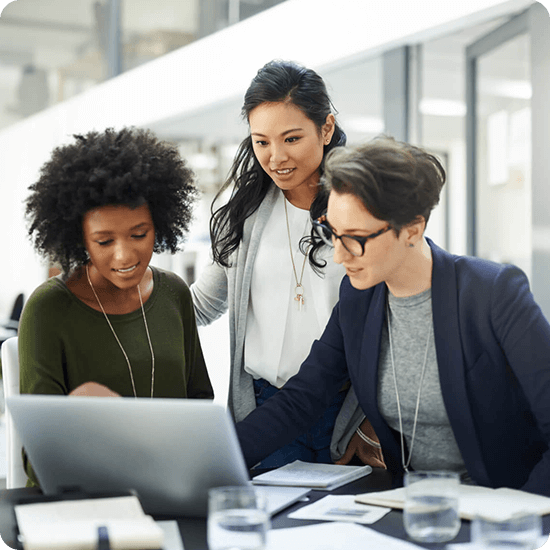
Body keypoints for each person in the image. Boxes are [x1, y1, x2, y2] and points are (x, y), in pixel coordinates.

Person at [235, 136, 550, 497]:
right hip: (410, 507)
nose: (339, 256)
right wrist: (217, 454)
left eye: (354, 238)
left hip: (503, 507)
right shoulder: (358, 298)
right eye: (332, 234)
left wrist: (516, 514)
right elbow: (302, 399)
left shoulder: (492, 293)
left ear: (413, 229)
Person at [190, 60, 384, 468]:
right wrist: (123, 295)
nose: (276, 157)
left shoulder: (364, 210)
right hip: (264, 409)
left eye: (291, 138)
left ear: (326, 129)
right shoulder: (243, 214)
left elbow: (392, 322)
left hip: (346, 413)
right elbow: (202, 305)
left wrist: (369, 422)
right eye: (261, 142)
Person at [20, 127, 214, 486]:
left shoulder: (174, 293)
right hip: (83, 499)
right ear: (79, 239)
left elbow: (200, 407)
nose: (125, 255)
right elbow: (38, 457)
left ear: (160, 225)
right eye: (104, 240)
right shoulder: (48, 309)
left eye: (139, 234)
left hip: (170, 487)